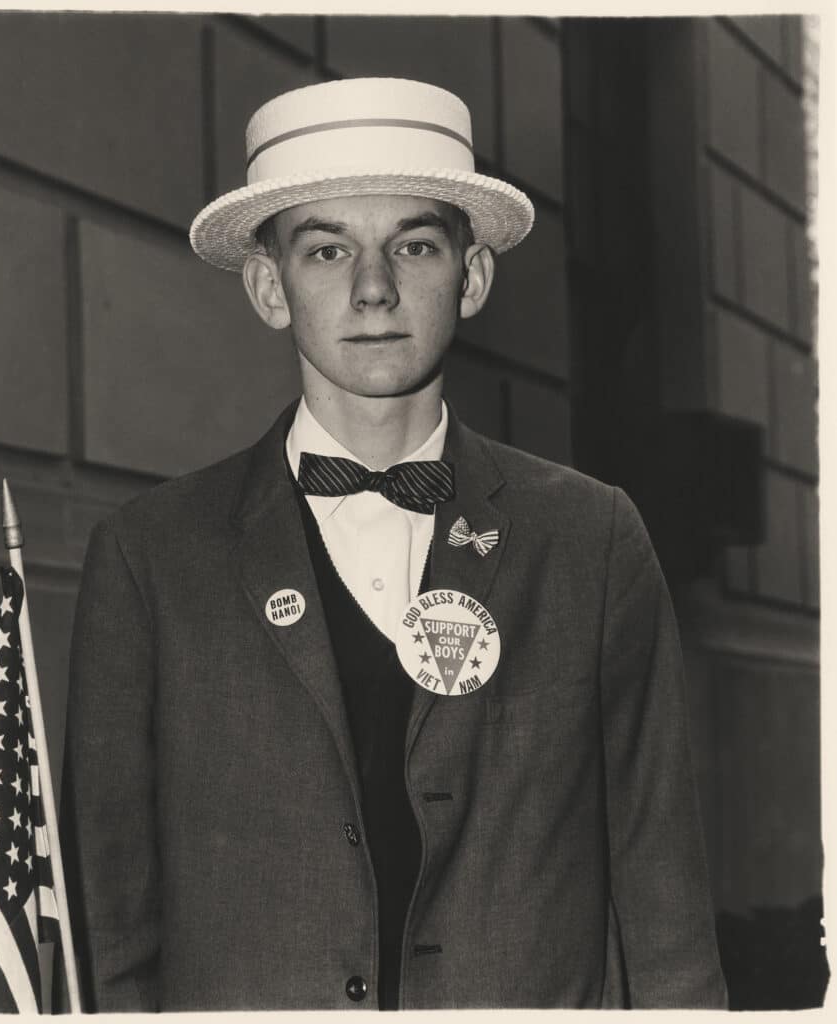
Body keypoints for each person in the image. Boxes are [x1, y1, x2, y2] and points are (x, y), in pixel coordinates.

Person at [58, 77, 727, 1011]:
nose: (373, 288)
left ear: (473, 275)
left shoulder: (591, 540)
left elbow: (664, 905)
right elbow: (108, 924)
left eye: (413, 245)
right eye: (326, 249)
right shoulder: (151, 557)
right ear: (269, 286)